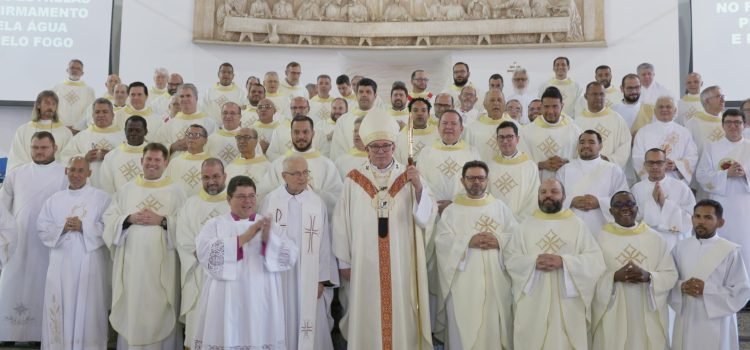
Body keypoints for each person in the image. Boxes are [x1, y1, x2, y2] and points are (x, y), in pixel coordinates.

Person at [332, 109, 434, 349]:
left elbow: (427, 216)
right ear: (366, 148)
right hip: (363, 264)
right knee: (366, 312)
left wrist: (418, 187)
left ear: (393, 146)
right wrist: (345, 262)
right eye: (375, 147)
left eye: (385, 146)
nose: (380, 152)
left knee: (401, 311)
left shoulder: (409, 176)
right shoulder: (353, 179)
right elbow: (341, 222)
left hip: (401, 262)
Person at [192, 176, 298, 349]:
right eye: (241, 196)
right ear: (228, 199)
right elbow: (203, 253)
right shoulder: (215, 225)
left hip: (261, 296)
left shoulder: (270, 226)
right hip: (225, 297)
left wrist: (268, 242)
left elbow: (289, 255)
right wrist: (242, 238)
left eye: (252, 196)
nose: (248, 201)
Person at [103, 143, 187, 349]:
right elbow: (109, 219)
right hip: (132, 267)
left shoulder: (177, 191)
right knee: (134, 306)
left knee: (160, 308)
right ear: (141, 161)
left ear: (166, 163)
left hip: (163, 266)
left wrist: (164, 221)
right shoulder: (126, 190)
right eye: (148, 159)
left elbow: (186, 226)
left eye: (158, 160)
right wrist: (128, 218)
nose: (152, 163)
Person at [504, 179, 605, 350]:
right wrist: (532, 262)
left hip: (568, 302)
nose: (548, 196)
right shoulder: (525, 226)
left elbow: (595, 260)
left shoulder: (577, 225)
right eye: (543, 192)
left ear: (564, 196)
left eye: (554, 191)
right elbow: (510, 258)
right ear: (538, 196)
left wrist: (564, 262)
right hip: (533, 301)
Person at [435, 160, 517, 350]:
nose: (476, 182)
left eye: (480, 178)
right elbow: (441, 241)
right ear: (462, 181)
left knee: (493, 328)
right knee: (463, 329)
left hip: (496, 281)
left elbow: (516, 238)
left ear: (487, 181)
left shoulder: (500, 207)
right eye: (471, 178)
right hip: (462, 284)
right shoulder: (452, 211)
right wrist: (467, 242)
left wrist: (499, 241)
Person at [261, 156, 338, 350]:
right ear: (284, 176)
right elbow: (262, 241)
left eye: (305, 172)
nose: (302, 177)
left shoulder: (316, 202)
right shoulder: (271, 201)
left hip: (308, 277)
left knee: (310, 323)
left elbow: (323, 243)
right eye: (296, 173)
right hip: (280, 277)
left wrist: (321, 279)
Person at [0, 132, 68, 343]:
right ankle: (8, 333)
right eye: (35, 148)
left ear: (54, 148)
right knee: (12, 282)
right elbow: (2, 207)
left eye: (43, 148)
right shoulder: (16, 174)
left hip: (48, 242)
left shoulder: (64, 174)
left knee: (42, 284)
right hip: (18, 240)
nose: (39, 152)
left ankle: (40, 335)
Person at [37, 157, 111, 349]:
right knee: (61, 306)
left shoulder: (101, 198)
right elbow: (42, 229)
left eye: (80, 171)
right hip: (60, 263)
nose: (76, 175)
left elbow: (109, 228)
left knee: (88, 307)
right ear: (66, 172)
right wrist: (62, 228)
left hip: (89, 262)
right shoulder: (54, 200)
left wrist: (84, 226)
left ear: (89, 173)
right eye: (72, 170)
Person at [591, 191, 678, 350]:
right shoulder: (599, 239)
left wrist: (649, 277)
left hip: (646, 308)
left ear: (637, 208)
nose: (625, 208)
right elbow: (590, 276)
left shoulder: (655, 238)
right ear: (610, 211)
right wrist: (613, 277)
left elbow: (671, 274)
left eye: (629, 204)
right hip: (613, 308)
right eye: (618, 205)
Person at [670, 199, 750, 350]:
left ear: (720, 222)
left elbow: (741, 291)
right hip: (687, 315)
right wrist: (681, 286)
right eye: (697, 216)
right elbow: (669, 279)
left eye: (707, 217)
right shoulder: (680, 247)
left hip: (716, 319)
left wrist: (705, 290)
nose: (701, 221)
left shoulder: (730, 251)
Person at [175, 158, 230, 349]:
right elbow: (183, 240)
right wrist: (205, 254)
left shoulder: (234, 204)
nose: (211, 181)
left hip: (227, 279)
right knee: (198, 326)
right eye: (206, 177)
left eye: (215, 176)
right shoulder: (191, 205)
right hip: (198, 276)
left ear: (225, 176)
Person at [696, 109, 750, 269]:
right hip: (721, 204)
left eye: (737, 122)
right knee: (721, 246)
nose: (733, 126)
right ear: (723, 125)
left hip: (745, 206)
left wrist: (745, 174)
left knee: (745, 244)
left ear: (745, 124)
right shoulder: (712, 147)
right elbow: (702, 175)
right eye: (729, 123)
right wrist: (726, 174)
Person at [556, 130, 628, 235]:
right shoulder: (564, 170)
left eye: (591, 142)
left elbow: (624, 200)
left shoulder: (613, 169)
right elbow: (554, 197)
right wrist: (571, 201)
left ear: (600, 146)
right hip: (570, 228)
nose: (586, 145)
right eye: (582, 142)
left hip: (603, 229)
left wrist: (599, 202)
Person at [265, 116, 342, 212]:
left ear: (313, 134)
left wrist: (314, 192)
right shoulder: (278, 164)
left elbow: (338, 200)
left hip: (315, 222)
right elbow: (264, 197)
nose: (301, 136)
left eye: (305, 132)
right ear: (291, 134)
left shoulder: (327, 165)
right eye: (296, 132)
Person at [417, 110, 480, 212]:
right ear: (438, 127)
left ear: (461, 128)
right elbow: (421, 182)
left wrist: (455, 204)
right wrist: (436, 204)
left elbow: (477, 184)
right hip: (433, 210)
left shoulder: (472, 153)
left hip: (463, 209)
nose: (448, 127)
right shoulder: (426, 153)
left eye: (454, 123)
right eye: (444, 123)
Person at [632, 148, 695, 250]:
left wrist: (664, 203)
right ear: (644, 165)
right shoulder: (636, 189)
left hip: (674, 243)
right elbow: (634, 219)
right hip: (647, 243)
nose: (655, 166)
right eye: (650, 163)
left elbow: (691, 219)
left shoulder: (681, 187)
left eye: (659, 163)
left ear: (666, 164)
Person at [631, 96, 698, 185]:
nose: (664, 109)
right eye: (661, 107)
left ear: (675, 110)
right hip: (651, 181)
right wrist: (657, 166)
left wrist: (676, 165)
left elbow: (692, 156)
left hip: (677, 182)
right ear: (654, 111)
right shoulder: (643, 131)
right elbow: (637, 157)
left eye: (668, 107)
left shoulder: (684, 132)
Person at [60, 98, 125, 189]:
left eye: (105, 112)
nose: (101, 115)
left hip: (114, 188)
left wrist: (111, 156)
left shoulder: (123, 138)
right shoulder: (81, 137)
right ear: (92, 115)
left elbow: (128, 159)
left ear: (113, 115)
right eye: (97, 112)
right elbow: (65, 158)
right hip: (87, 189)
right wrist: (84, 157)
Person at [521, 86, 582, 180]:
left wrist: (567, 163)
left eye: (555, 106)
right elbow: (521, 162)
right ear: (541, 106)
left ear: (562, 106)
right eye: (546, 107)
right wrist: (541, 165)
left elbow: (582, 160)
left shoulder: (574, 130)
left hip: (566, 183)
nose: (550, 111)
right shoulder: (527, 131)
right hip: (538, 184)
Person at [8, 91, 74, 171]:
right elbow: (17, 159)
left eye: (54, 104)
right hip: (28, 176)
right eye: (47, 103)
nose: (50, 107)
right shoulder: (22, 131)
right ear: (38, 105)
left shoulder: (65, 133)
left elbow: (67, 159)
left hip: (55, 178)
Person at [487, 121, 540, 221]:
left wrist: (520, 220)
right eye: (501, 137)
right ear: (497, 140)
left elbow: (533, 198)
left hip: (522, 222)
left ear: (517, 139)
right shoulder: (490, 166)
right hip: (496, 221)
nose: (505, 141)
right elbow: (487, 196)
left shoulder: (530, 166)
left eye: (509, 137)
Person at [574, 81, 631, 169]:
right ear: (586, 96)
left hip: (609, 168)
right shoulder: (578, 121)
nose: (598, 98)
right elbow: (574, 148)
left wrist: (609, 159)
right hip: (585, 168)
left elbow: (625, 144)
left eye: (602, 94)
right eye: (594, 94)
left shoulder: (616, 118)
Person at [156, 83, 218, 154]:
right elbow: (158, 146)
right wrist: (173, 147)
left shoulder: (210, 123)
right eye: (181, 96)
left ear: (196, 98)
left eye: (188, 96)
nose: (185, 99)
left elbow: (215, 146)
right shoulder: (169, 125)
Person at [330, 78, 382, 159]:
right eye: (361, 92)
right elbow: (337, 150)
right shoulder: (343, 120)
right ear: (356, 95)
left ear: (375, 96)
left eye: (368, 92)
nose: (364, 95)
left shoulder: (384, 119)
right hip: (348, 166)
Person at [99, 116, 148, 194]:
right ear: (125, 131)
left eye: (138, 130)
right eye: (130, 130)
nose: (133, 133)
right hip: (118, 203)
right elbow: (106, 185)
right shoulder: (111, 156)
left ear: (145, 131)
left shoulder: (154, 156)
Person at [465, 90, 516, 162]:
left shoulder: (515, 126)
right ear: (484, 104)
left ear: (505, 104)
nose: (496, 103)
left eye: (499, 100)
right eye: (492, 100)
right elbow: (467, 155)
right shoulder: (472, 128)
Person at [166, 125, 211, 196]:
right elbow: (167, 186)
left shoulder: (211, 163)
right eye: (189, 135)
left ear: (205, 140)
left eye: (196, 135)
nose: (191, 138)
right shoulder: (175, 162)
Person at [52, 59, 95, 130]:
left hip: (78, 130)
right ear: (67, 70)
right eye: (72, 68)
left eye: (78, 68)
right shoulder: (57, 87)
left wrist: (77, 127)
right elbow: (53, 108)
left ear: (82, 73)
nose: (75, 70)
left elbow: (89, 111)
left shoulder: (89, 90)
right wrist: (60, 125)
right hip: (59, 128)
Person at [395, 97, 439, 164]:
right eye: (415, 110)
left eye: (423, 110)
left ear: (429, 115)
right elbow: (397, 163)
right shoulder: (400, 137)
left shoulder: (437, 134)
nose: (419, 113)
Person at [686, 85, 726, 154]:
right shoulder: (693, 123)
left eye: (723, 97)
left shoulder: (728, 122)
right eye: (718, 97)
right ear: (707, 101)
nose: (723, 100)